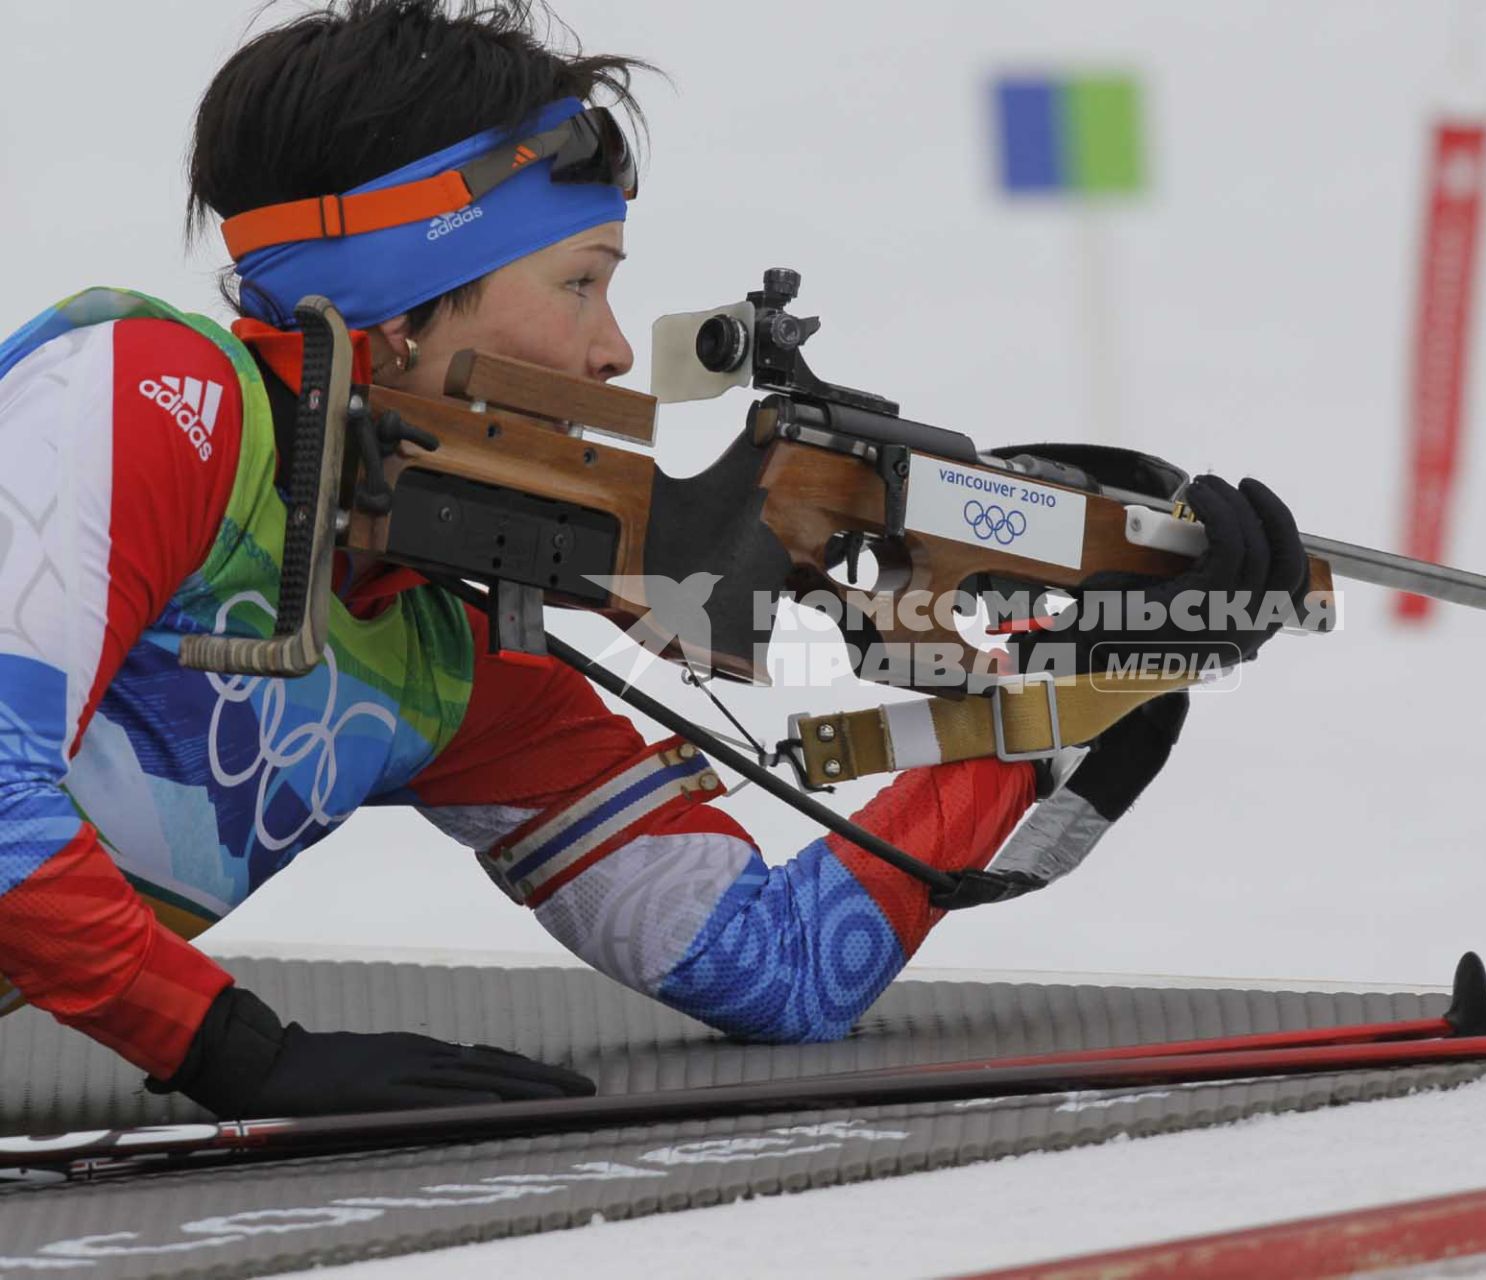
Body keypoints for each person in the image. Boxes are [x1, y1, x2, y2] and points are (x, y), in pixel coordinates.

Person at [0, 0, 1307, 1119]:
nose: (615, 354)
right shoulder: (153, 402)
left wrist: (1075, 679)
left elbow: (779, 967)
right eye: (580, 283)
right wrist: (235, 1051)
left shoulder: (447, 659)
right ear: (394, 304)